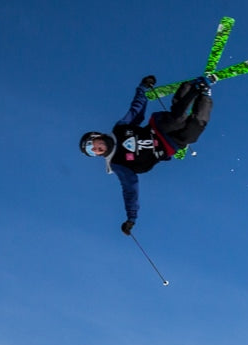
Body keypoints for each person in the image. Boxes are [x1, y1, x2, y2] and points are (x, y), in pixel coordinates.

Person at [79, 74, 215, 234]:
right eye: (91, 152)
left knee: (177, 120)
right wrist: (131, 218)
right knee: (192, 133)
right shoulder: (117, 163)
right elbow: (130, 190)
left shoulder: (120, 129)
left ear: (96, 136)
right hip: (169, 145)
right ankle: (205, 95)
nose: (94, 150)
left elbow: (136, 110)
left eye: (91, 145)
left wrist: (143, 87)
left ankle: (191, 88)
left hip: (158, 128)